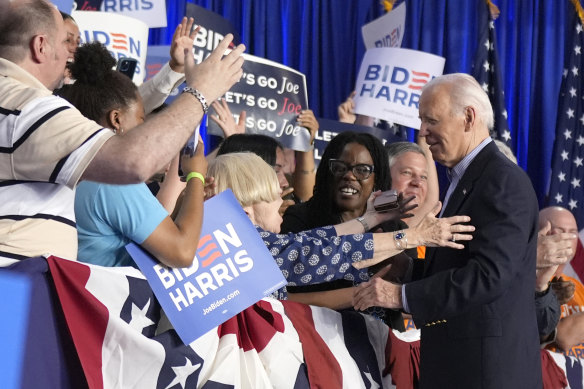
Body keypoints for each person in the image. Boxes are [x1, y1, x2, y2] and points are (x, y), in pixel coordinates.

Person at [0, 0, 244, 262]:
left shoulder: (16, 102)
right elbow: (133, 162)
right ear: (40, 46)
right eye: (65, 42)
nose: (73, 53)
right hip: (18, 286)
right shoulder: (28, 108)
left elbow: (121, 106)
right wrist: (200, 93)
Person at [353, 73, 542, 388]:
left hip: (486, 372)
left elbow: (488, 276)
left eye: (431, 121)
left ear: (468, 117)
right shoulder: (465, 179)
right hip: (459, 364)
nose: (422, 132)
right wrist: (408, 269)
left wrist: (400, 295)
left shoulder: (501, 181)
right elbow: (456, 262)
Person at [206, 152, 475, 299]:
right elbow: (329, 253)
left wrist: (370, 220)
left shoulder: (248, 244)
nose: (282, 191)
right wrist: (413, 237)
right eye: (270, 190)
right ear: (245, 208)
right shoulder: (245, 251)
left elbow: (313, 241)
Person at [56, 41, 206, 268]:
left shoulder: (71, 163)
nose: (144, 130)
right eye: (141, 120)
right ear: (116, 119)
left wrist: (186, 202)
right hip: (109, 301)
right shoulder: (111, 180)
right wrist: (196, 176)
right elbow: (182, 253)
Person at [538, 206, 584, 356]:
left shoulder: (578, 288)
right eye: (560, 231)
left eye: (573, 232)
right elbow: (564, 337)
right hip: (544, 373)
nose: (569, 238)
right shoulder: (527, 282)